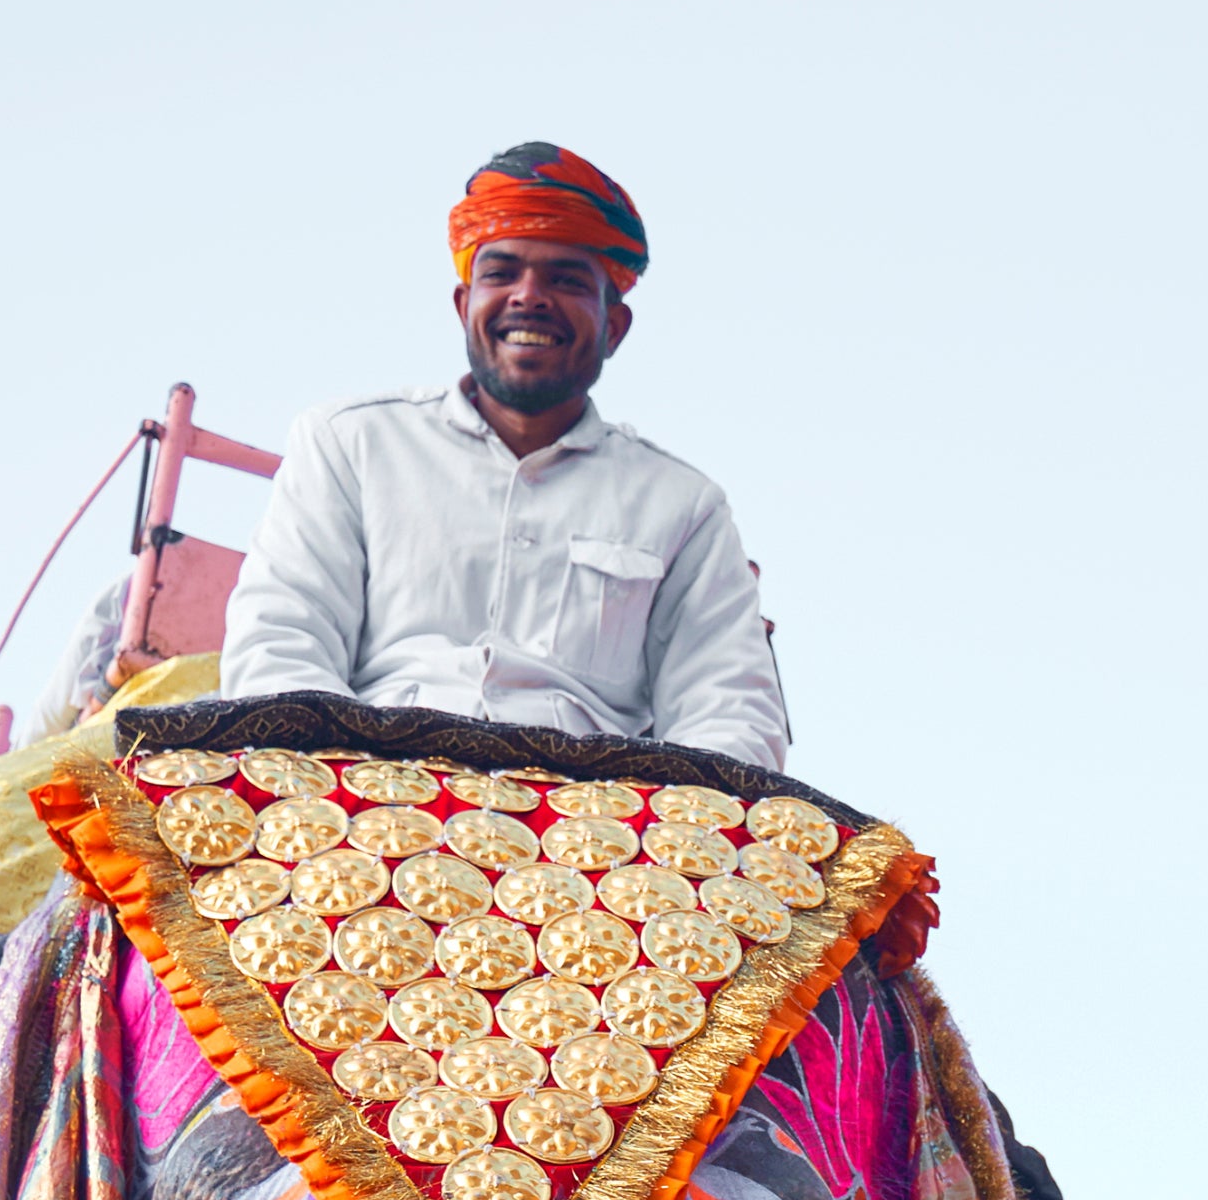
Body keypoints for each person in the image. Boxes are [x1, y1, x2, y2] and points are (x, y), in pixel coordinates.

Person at [220, 140, 788, 765]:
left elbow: (730, 713)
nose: (529, 296)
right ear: (465, 308)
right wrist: (341, 804)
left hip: (598, 830)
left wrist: (660, 838)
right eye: (501, 273)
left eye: (566, 280)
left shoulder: (684, 506)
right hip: (362, 796)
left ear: (615, 327)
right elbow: (281, 644)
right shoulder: (350, 443)